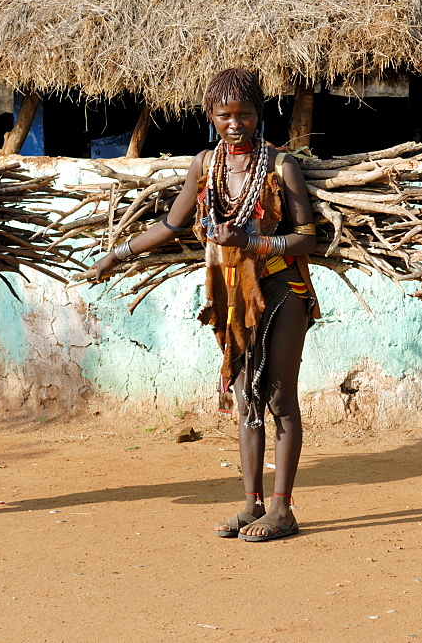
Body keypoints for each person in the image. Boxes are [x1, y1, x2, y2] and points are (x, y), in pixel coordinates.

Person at [93, 68, 319, 542]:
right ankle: (251, 504)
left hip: (282, 292)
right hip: (232, 296)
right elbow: (173, 225)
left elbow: (305, 238)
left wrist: (253, 242)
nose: (235, 124)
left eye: (245, 114)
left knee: (278, 398)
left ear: (260, 114)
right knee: (245, 399)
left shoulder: (281, 165)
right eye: (225, 115)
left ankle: (283, 509)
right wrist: (118, 254)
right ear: (210, 116)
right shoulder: (205, 165)